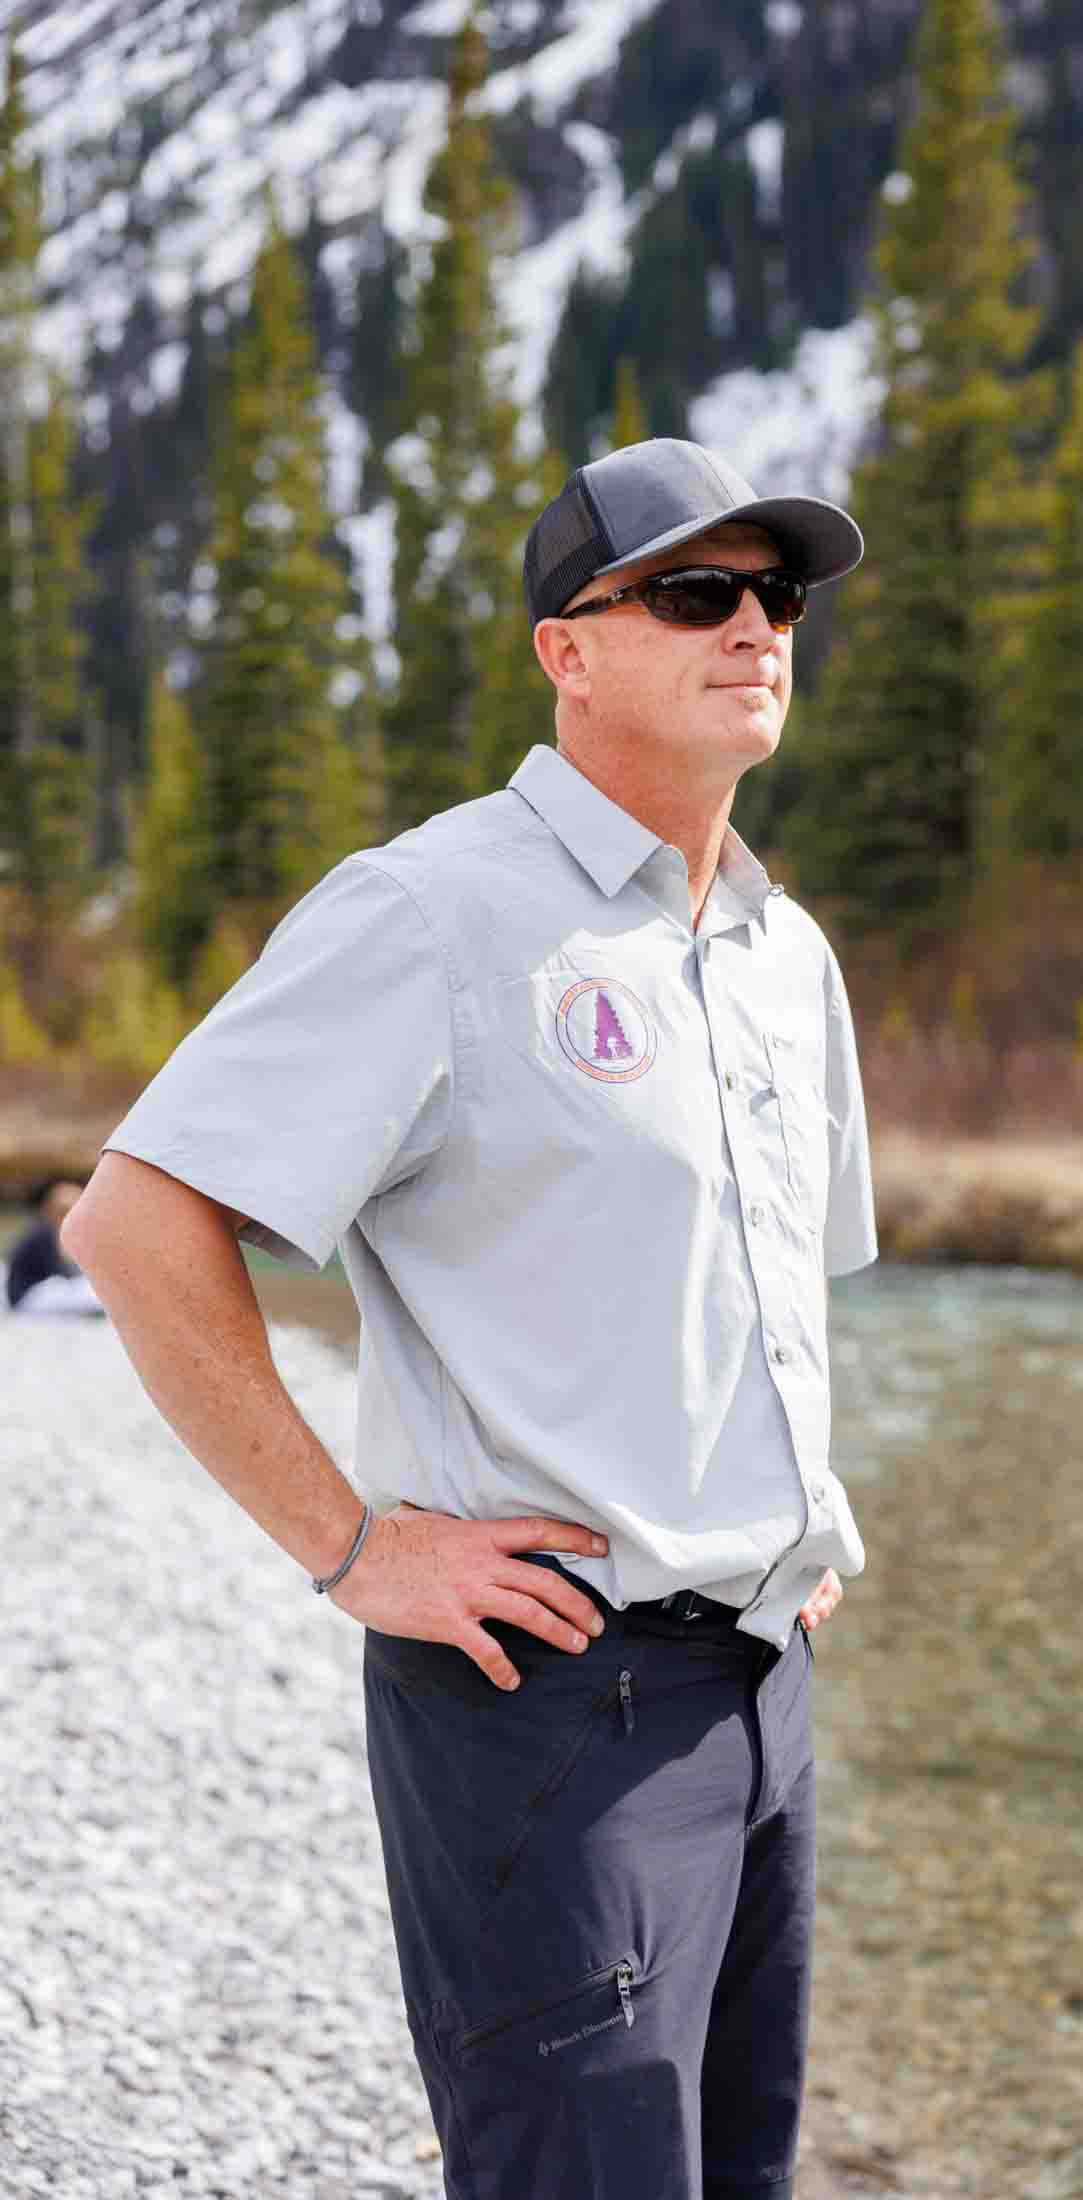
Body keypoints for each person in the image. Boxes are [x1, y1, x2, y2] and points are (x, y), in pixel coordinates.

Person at [61, 437, 878, 2200]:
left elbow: (760, 1282)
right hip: (547, 1706)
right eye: (693, 592)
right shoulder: (432, 910)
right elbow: (134, 1223)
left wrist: (805, 1507)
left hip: (764, 1686)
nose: (754, 628)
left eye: (775, 594)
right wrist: (351, 1547)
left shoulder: (775, 950)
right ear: (565, 650)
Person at [4, 1177, 105, 1317]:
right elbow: (60, 1273)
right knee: (86, 1292)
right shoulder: (43, 1233)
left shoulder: (54, 1231)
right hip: (29, 1297)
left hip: (42, 1293)